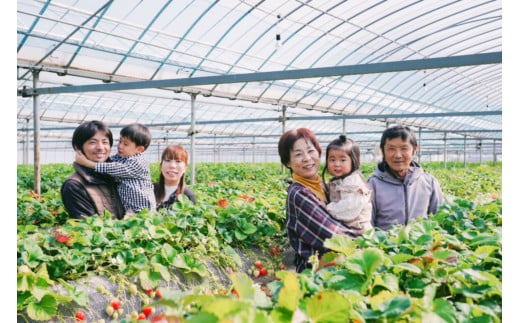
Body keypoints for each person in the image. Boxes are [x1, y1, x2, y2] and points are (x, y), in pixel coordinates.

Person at [278, 128, 357, 273]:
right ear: (288, 162)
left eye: (310, 151)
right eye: (298, 154)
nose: (307, 158)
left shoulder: (322, 185)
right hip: (318, 276)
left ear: (319, 153)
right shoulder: (298, 194)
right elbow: (333, 234)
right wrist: (367, 242)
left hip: (339, 266)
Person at [367, 125, 443, 230]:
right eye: (391, 149)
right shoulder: (372, 185)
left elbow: (438, 220)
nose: (398, 155)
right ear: (382, 150)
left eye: (404, 148)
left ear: (415, 149)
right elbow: (366, 226)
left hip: (420, 245)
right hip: (383, 245)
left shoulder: (429, 182)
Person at [75, 123, 156, 215]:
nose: (120, 146)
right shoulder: (121, 157)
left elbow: (114, 168)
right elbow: (109, 161)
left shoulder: (139, 162)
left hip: (143, 209)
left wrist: (88, 163)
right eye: (120, 141)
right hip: (128, 209)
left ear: (139, 149)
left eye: (125, 144)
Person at [60, 120, 125, 219]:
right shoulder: (74, 186)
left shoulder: (119, 175)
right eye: (92, 142)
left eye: (105, 142)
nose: (100, 147)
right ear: (77, 147)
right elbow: (88, 229)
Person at [322, 135, 373, 236]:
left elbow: (348, 208)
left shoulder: (354, 183)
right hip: (348, 229)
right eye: (332, 160)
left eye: (343, 160)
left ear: (353, 161)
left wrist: (326, 208)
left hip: (360, 232)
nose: (337, 164)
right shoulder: (340, 181)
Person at [154, 145, 196, 210]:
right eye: (168, 160)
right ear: (161, 166)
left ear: (185, 168)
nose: (172, 166)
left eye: (178, 161)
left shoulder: (188, 196)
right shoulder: (149, 190)